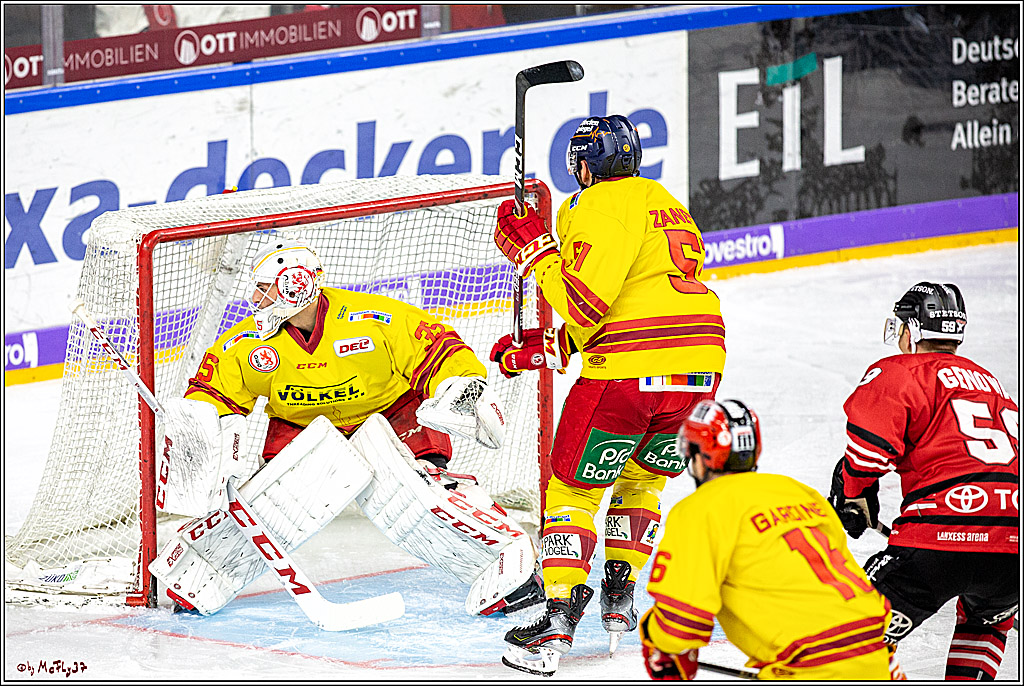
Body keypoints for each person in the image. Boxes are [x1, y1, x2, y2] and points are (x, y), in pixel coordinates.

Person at [168, 237, 543, 617]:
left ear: (294, 286)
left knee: (419, 497)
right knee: (273, 507)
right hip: (302, 425)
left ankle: (514, 570)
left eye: (264, 288)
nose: (256, 298)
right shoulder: (247, 343)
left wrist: (457, 385)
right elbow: (211, 393)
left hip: (391, 415)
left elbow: (437, 348)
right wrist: (205, 439)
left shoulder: (372, 316)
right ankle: (197, 575)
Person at [490, 114, 726, 675]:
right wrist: (542, 346)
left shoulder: (597, 205)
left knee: (572, 490)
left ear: (587, 163)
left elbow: (585, 302)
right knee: (642, 479)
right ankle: (620, 591)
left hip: (627, 373)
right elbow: (631, 302)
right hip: (698, 370)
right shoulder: (667, 202)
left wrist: (532, 252)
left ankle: (560, 611)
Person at [828, 282, 1019, 681]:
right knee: (985, 622)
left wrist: (852, 493)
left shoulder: (898, 371)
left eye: (900, 325)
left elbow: (867, 455)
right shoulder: (992, 383)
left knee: (847, 634)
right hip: (1013, 546)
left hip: (938, 539)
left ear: (914, 329)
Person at [641, 399, 895, 680]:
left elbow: (681, 626)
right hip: (880, 652)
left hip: (811, 663)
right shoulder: (798, 491)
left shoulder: (699, 510)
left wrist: (658, 642)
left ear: (701, 456)